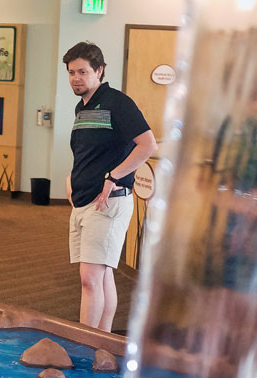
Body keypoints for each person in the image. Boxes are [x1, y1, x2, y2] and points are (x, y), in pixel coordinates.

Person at [64, 41, 157, 332]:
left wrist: (113, 177)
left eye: (82, 71)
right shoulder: (82, 108)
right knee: (101, 277)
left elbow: (147, 145)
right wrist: (71, 183)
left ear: (99, 70)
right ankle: (101, 341)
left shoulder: (118, 102)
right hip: (82, 203)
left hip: (109, 202)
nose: (76, 78)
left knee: (90, 279)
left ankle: (84, 344)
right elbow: (86, 154)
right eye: (70, 72)